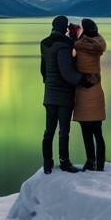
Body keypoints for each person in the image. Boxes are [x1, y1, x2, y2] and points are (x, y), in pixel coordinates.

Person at [40, 14, 93, 174]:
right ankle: (64, 162)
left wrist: (49, 82)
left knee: (49, 131)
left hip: (49, 94)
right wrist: (83, 80)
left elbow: (43, 70)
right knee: (63, 131)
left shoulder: (45, 43)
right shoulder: (63, 45)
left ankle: (47, 162)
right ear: (63, 28)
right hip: (63, 96)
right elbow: (67, 73)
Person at [72, 18, 107, 171]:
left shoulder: (78, 45)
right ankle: (100, 164)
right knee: (98, 132)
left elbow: (72, 58)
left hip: (83, 90)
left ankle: (89, 161)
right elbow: (97, 43)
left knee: (86, 131)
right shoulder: (99, 44)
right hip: (96, 89)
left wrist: (74, 35)